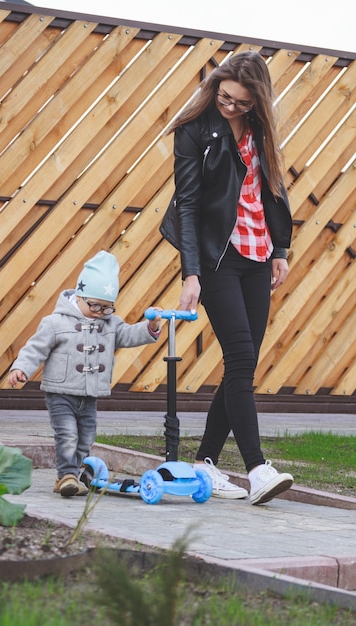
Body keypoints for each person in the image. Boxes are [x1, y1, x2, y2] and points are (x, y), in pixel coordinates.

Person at [160, 51, 294, 505]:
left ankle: (204, 464)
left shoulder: (260, 131)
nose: (230, 106)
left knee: (243, 362)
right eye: (225, 97)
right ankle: (257, 469)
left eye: (240, 101)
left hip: (257, 255)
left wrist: (280, 249)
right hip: (216, 258)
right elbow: (190, 204)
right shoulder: (193, 130)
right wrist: (191, 273)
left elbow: (271, 189)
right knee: (240, 356)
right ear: (215, 88)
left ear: (257, 101)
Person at [8, 250, 162, 497]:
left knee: (86, 438)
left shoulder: (110, 324)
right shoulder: (56, 322)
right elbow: (35, 347)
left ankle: (72, 473)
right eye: (95, 306)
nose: (100, 312)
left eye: (107, 308)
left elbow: (131, 335)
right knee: (67, 434)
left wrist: (151, 327)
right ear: (79, 296)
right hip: (61, 393)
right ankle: (67, 474)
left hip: (89, 394)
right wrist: (20, 368)